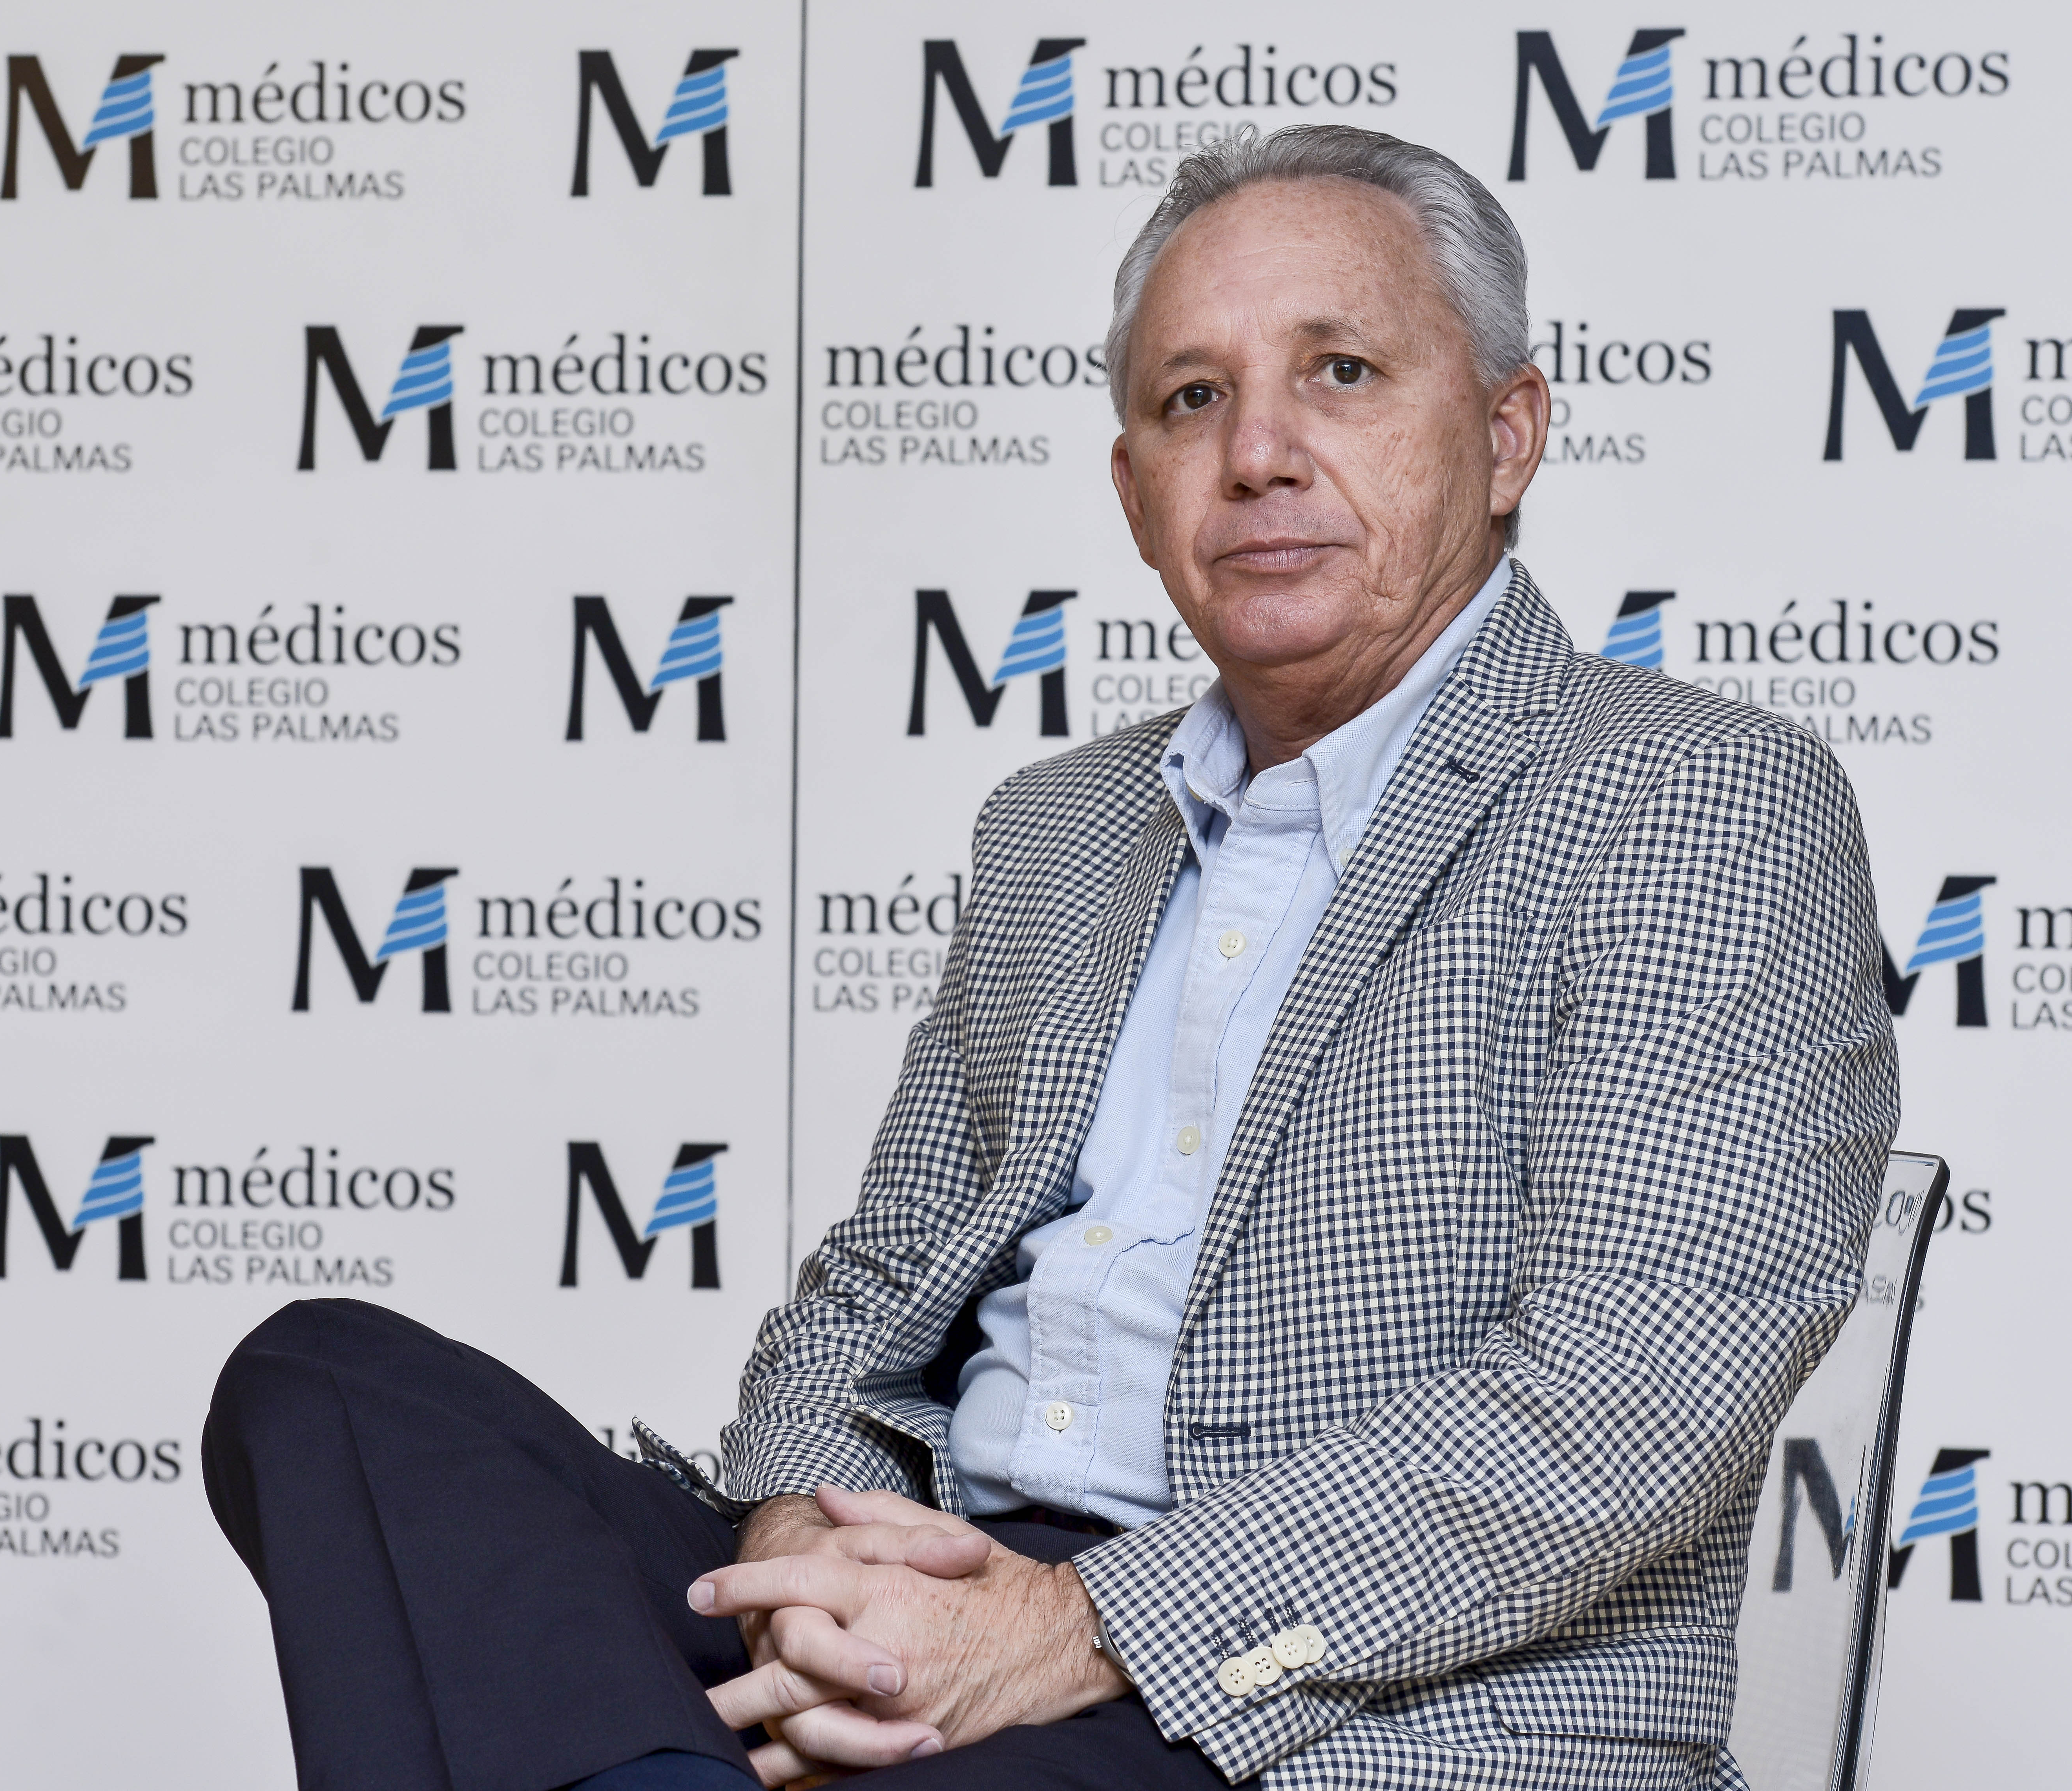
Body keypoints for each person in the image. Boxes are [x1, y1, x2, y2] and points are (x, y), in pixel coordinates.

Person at [202, 124, 1897, 1791]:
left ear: (1507, 433)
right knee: (327, 1383)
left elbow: (1630, 1391)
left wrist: (1073, 1629)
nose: (1257, 452)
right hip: (939, 1575)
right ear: (1134, 492)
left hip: (1329, 1692)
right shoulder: (1056, 827)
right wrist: (807, 1564)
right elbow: (873, 1293)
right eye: (1192, 398)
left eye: (1342, 373)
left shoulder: (1691, 798)